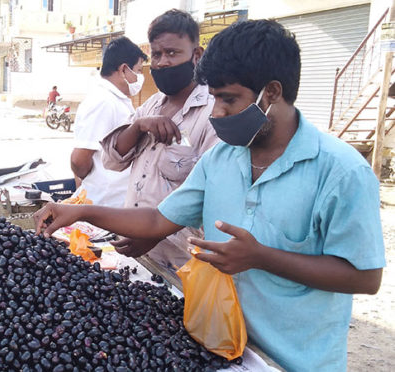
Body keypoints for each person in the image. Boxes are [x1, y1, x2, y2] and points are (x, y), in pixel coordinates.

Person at [34, 20, 385, 371]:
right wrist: (79, 212)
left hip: (292, 360)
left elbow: (365, 277)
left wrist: (261, 257)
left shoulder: (341, 172)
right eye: (214, 97)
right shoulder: (222, 158)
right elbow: (159, 218)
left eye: (228, 99)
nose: (216, 112)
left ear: (272, 92)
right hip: (218, 346)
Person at [100, 9, 219, 270]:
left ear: (196, 56)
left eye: (173, 53)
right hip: (135, 258)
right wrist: (138, 126)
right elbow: (111, 161)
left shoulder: (213, 113)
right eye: (156, 54)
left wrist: (156, 233)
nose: (162, 62)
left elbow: (212, 196)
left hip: (181, 264)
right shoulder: (150, 107)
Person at [70, 36, 148, 207]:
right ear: (124, 70)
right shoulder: (103, 102)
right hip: (104, 202)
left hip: (115, 202)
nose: (141, 77)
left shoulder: (116, 100)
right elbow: (79, 159)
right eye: (139, 70)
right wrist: (95, 180)